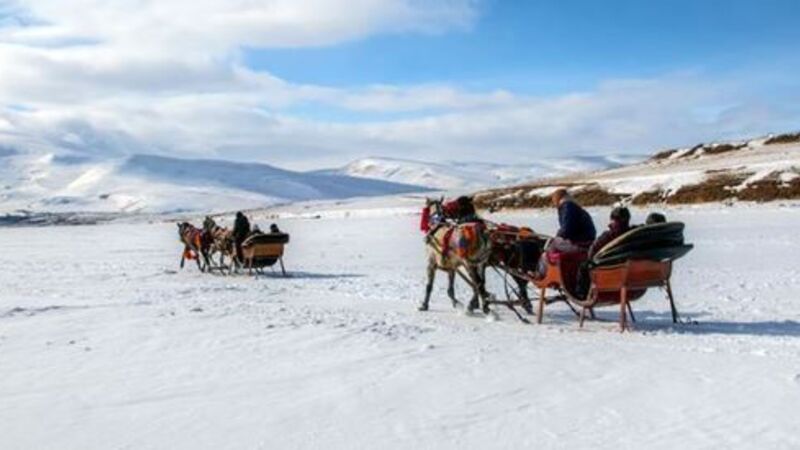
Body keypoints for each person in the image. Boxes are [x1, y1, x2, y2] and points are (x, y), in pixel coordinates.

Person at [534, 189, 596, 278]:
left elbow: (567, 229)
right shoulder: (574, 206)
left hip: (579, 243)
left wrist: (558, 235)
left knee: (549, 246)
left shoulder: (567, 206)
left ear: (558, 198)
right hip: (587, 241)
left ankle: (542, 274)